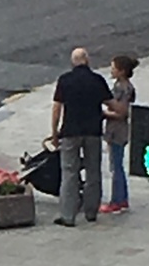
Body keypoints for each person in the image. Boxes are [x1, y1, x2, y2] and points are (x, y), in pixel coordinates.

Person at [49, 46, 111, 225]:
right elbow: (110, 103)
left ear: (72, 62)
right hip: (93, 132)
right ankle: (91, 211)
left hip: (70, 131)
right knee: (93, 171)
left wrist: (54, 133)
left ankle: (68, 215)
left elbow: (56, 108)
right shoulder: (97, 80)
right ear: (87, 60)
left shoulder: (65, 80)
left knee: (69, 172)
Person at [101, 53, 137, 214]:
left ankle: (117, 200)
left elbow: (121, 112)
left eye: (114, 68)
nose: (111, 70)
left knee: (116, 166)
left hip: (117, 129)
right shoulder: (125, 86)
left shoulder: (121, 88)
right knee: (117, 164)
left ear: (122, 71)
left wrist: (103, 114)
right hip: (118, 129)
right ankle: (122, 198)